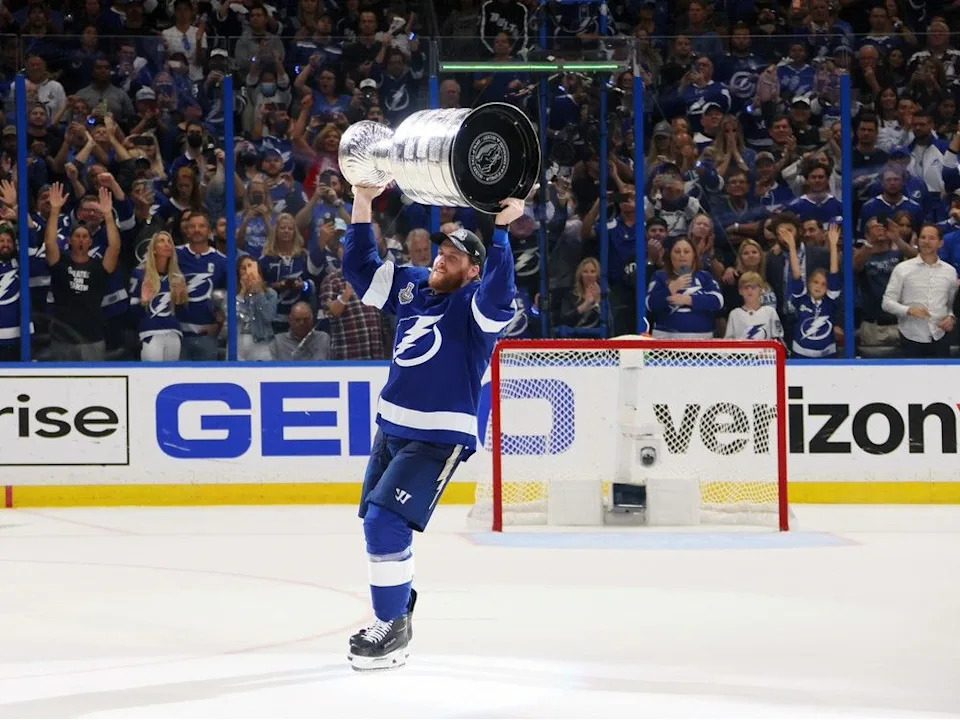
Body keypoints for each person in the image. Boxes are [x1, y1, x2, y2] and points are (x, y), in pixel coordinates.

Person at [341, 184, 523, 671]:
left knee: (384, 523)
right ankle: (397, 608)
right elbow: (360, 270)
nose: (443, 259)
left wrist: (502, 230)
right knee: (376, 524)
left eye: (455, 256)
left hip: (438, 436)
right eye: (442, 250)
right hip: (392, 427)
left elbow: (499, 295)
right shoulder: (414, 285)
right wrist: (362, 198)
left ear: (473, 271)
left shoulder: (477, 310)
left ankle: (392, 630)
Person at [44, 183, 120, 361]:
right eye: (77, 236)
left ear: (90, 242)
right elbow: (49, 243)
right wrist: (55, 210)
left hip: (92, 337)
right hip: (63, 337)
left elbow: (114, 248)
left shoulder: (99, 267)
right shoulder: (60, 263)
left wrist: (108, 215)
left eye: (85, 236)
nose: (81, 239)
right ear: (70, 241)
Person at [882, 224, 958, 357]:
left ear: (940, 243)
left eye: (931, 238)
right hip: (911, 337)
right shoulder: (902, 269)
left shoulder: (950, 272)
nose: (926, 241)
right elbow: (887, 303)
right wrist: (908, 310)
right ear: (918, 241)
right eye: (923, 237)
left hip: (940, 337)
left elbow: (950, 305)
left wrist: (951, 318)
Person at [782, 221, 842, 358]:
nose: (819, 286)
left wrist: (833, 245)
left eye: (823, 284)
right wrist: (792, 247)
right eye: (816, 282)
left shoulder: (830, 301)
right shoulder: (801, 299)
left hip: (827, 356)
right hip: (800, 355)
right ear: (809, 284)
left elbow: (834, 273)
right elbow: (796, 274)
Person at [129, 231, 188, 361]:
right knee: (152, 377)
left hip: (173, 333)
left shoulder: (177, 276)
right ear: (153, 249)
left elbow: (182, 314)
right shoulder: (140, 273)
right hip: (150, 333)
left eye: (169, 242)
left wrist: (179, 300)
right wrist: (143, 301)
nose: (167, 244)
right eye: (162, 241)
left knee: (171, 375)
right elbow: (132, 314)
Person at [236, 255, 278, 361]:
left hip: (261, 344)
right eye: (243, 268)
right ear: (238, 272)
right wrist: (242, 293)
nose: (247, 272)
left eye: (250, 267)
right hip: (237, 343)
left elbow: (268, 317)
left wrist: (259, 292)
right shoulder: (233, 294)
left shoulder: (270, 294)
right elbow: (231, 318)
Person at [724, 271, 783, 341]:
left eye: (754, 287)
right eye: (746, 287)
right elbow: (728, 341)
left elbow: (778, 337)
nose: (749, 290)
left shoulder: (770, 312)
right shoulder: (734, 314)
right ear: (740, 291)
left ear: (761, 290)